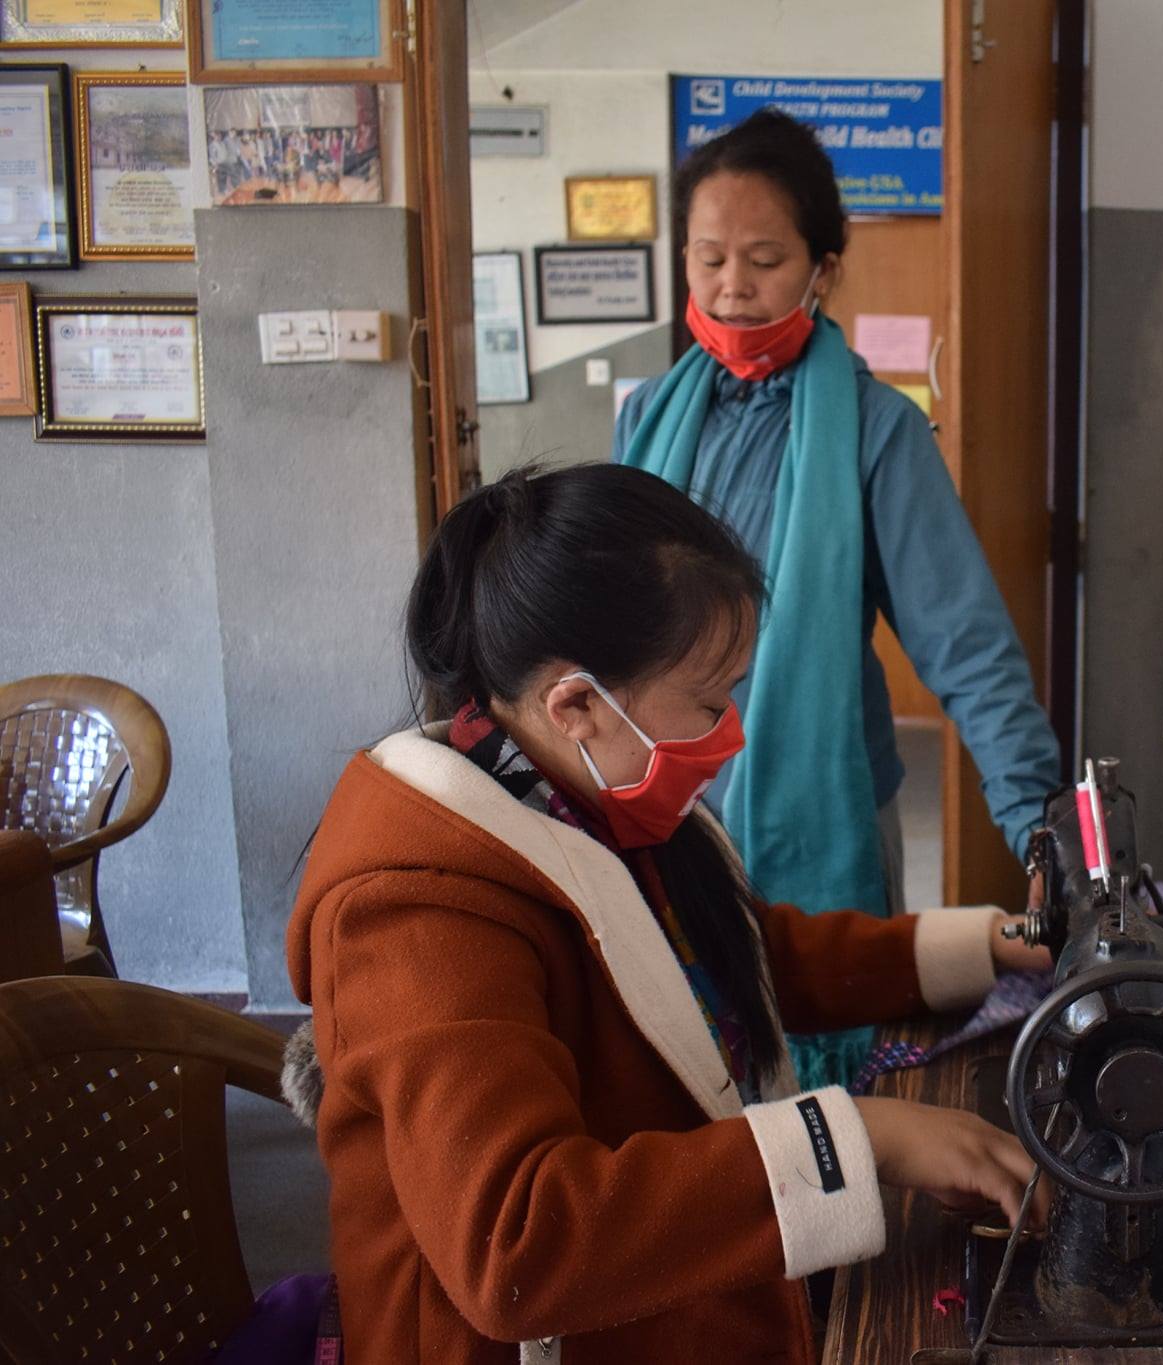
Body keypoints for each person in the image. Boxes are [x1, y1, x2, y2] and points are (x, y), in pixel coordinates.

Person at [286, 463, 1052, 1364]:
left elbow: (742, 965)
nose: (729, 731)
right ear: (575, 703)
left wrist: (985, 944)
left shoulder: (592, 801)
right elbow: (518, 1241)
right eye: (708, 701)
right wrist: (860, 1135)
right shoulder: (417, 910)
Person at [614, 109, 1062, 1086]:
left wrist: (1038, 824)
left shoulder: (876, 431)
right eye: (707, 259)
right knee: (682, 1073)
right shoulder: (646, 420)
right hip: (654, 811)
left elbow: (966, 645)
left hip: (819, 814)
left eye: (764, 259)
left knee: (822, 1078)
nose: (731, 287)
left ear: (822, 268)